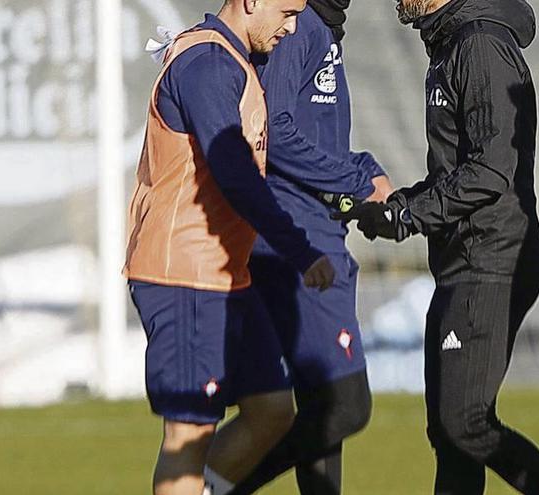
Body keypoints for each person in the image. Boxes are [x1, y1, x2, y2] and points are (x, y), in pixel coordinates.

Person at [334, 0, 539, 493]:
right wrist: (398, 210)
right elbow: (457, 173)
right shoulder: (452, 44)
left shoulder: (480, 43)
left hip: (491, 259)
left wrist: (409, 214)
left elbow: (491, 169)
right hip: (462, 259)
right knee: (450, 434)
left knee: (465, 422)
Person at [123, 1, 337, 494]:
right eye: (285, 11)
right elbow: (235, 174)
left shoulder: (234, 59)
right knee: (189, 433)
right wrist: (300, 250)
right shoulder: (208, 64)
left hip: (224, 274)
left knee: (271, 409)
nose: (292, 26)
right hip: (183, 274)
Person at [223, 1, 393, 493]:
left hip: (305, 229)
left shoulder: (315, 24)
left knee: (322, 402)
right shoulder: (302, 26)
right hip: (298, 238)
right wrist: (358, 179)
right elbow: (275, 132)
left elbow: (308, 132)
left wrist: (360, 165)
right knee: (346, 403)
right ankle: (216, 485)